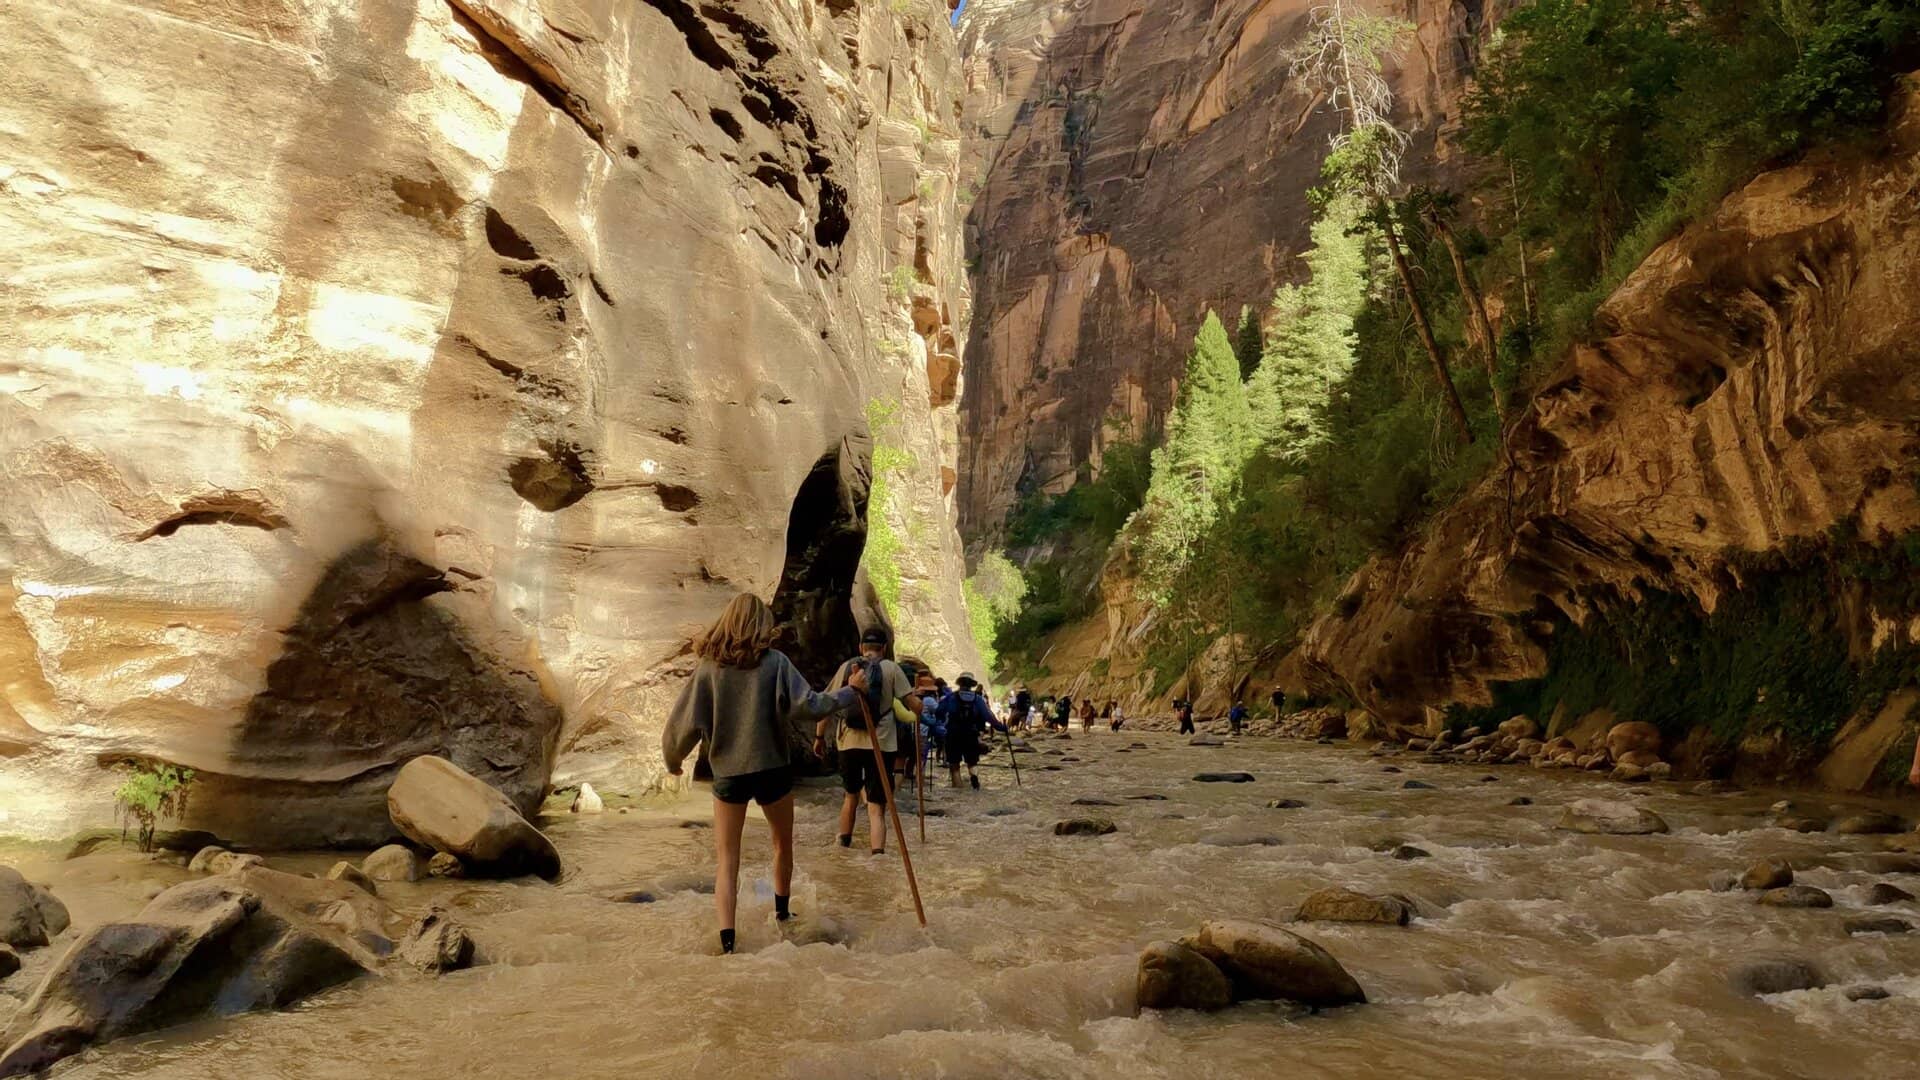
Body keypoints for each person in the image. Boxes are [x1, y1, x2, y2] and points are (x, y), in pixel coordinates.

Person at [662, 592, 865, 956]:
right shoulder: (775, 664)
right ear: (763, 625)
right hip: (772, 768)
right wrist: (851, 692)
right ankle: (783, 913)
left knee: (727, 859)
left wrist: (673, 759)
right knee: (781, 843)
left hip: (729, 773)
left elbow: (684, 722)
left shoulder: (709, 669)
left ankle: (728, 942)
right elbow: (811, 705)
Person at [820, 627, 920, 856]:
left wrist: (818, 737)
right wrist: (920, 707)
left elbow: (828, 704)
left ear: (860, 648)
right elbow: (913, 705)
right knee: (876, 807)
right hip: (881, 744)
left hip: (848, 742)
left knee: (850, 796)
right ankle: (877, 857)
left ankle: (843, 846)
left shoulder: (846, 668)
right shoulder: (892, 669)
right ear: (884, 648)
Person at [937, 672, 1006, 789]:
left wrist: (942, 723)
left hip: (953, 734)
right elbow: (988, 716)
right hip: (971, 734)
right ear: (971, 685)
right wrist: (1001, 727)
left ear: (960, 683)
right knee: (972, 761)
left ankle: (958, 789)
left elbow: (939, 712)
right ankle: (974, 779)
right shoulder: (978, 699)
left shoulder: (951, 697)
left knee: (954, 763)